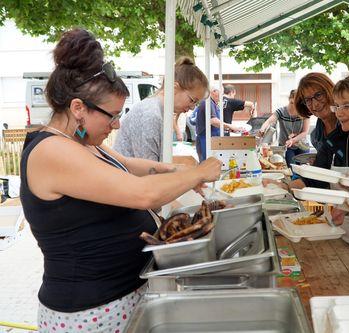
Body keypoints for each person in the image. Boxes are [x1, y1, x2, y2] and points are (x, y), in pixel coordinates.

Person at [20, 28, 221, 333]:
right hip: (89, 312)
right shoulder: (51, 150)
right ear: (78, 108)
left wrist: (177, 173)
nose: (117, 124)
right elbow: (143, 194)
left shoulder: (81, 141)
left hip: (120, 298)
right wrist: (199, 171)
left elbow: (127, 165)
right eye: (111, 115)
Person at [263, 75, 349, 299]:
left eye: (347, 106)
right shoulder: (333, 140)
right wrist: (281, 185)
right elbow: (315, 177)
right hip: (338, 229)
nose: (340, 112)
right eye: (338, 106)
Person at [113, 57, 208, 161]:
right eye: (192, 100)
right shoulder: (150, 114)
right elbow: (149, 171)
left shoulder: (157, 111)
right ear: (174, 88)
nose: (192, 107)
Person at [258, 90, 310, 167]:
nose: (295, 106)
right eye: (292, 103)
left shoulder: (304, 112)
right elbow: (269, 121)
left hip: (302, 145)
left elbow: (305, 132)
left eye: (297, 103)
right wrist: (262, 129)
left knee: (305, 170)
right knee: (291, 169)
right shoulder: (281, 111)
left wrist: (293, 140)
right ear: (289, 99)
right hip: (286, 147)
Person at [294, 73, 337, 152]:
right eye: (307, 100)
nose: (315, 104)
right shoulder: (315, 137)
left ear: (330, 90)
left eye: (319, 95)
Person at [194, 88, 240, 161]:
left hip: (213, 140)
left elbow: (218, 124)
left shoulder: (214, 104)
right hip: (206, 140)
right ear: (213, 92)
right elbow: (214, 121)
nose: (222, 96)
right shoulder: (208, 103)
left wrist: (229, 129)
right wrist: (230, 126)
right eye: (221, 93)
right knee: (206, 165)